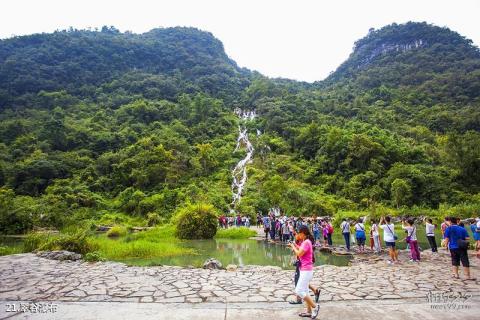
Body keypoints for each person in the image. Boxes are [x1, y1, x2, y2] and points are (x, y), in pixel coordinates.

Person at [289, 225, 320, 319]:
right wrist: (294, 245)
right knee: (305, 291)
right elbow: (301, 249)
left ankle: (315, 307)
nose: (298, 235)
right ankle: (309, 312)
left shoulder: (306, 242)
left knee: (298, 290)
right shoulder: (305, 242)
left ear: (303, 233)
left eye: (299, 233)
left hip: (306, 270)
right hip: (305, 270)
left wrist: (292, 246)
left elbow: (299, 253)